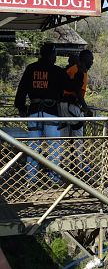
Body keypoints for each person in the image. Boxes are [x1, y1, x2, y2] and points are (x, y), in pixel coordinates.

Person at [14, 43, 65, 183]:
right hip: (51, 111)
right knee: (54, 145)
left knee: (33, 145)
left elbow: (22, 90)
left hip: (34, 111)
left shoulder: (31, 68)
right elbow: (69, 86)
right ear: (52, 54)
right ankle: (54, 177)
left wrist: (21, 108)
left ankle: (31, 177)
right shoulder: (57, 71)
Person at [60, 49, 94, 138]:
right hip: (70, 105)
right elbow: (77, 90)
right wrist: (86, 108)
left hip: (64, 105)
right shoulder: (79, 70)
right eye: (91, 59)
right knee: (78, 128)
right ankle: (78, 152)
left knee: (65, 135)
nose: (92, 62)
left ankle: (66, 151)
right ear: (84, 59)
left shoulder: (74, 68)